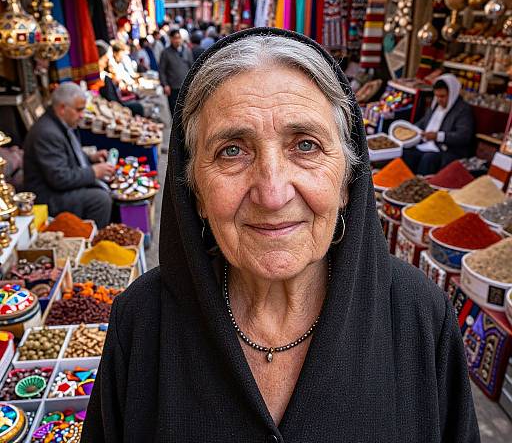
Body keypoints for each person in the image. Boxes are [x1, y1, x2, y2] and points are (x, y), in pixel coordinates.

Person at [82, 29, 479, 442]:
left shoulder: (419, 314)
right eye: (232, 151)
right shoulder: (142, 321)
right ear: (194, 190)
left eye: (305, 146)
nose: (272, 194)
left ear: (346, 179)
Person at [23, 83, 114, 228]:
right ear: (62, 108)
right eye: (78, 110)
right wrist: (93, 171)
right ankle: (92, 242)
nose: (82, 115)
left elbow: (67, 154)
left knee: (108, 185)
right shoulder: (47, 133)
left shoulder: (60, 124)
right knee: (100, 200)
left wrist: (90, 158)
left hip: (57, 188)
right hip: (48, 196)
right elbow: (60, 178)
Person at [403, 74, 474, 175]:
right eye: (437, 96)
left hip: (448, 150)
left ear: (452, 93)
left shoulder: (462, 110)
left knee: (429, 158)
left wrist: (438, 136)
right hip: (427, 145)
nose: (439, 99)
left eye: (443, 96)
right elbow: (423, 122)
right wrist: (411, 130)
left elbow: (463, 136)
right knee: (407, 153)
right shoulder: (436, 105)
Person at [158, 29, 193, 116]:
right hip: (173, 87)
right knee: (174, 111)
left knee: (185, 110)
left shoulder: (187, 51)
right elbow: (162, 70)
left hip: (185, 86)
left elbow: (192, 67)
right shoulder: (166, 53)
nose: (177, 40)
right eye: (175, 38)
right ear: (170, 39)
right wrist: (165, 84)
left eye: (179, 38)